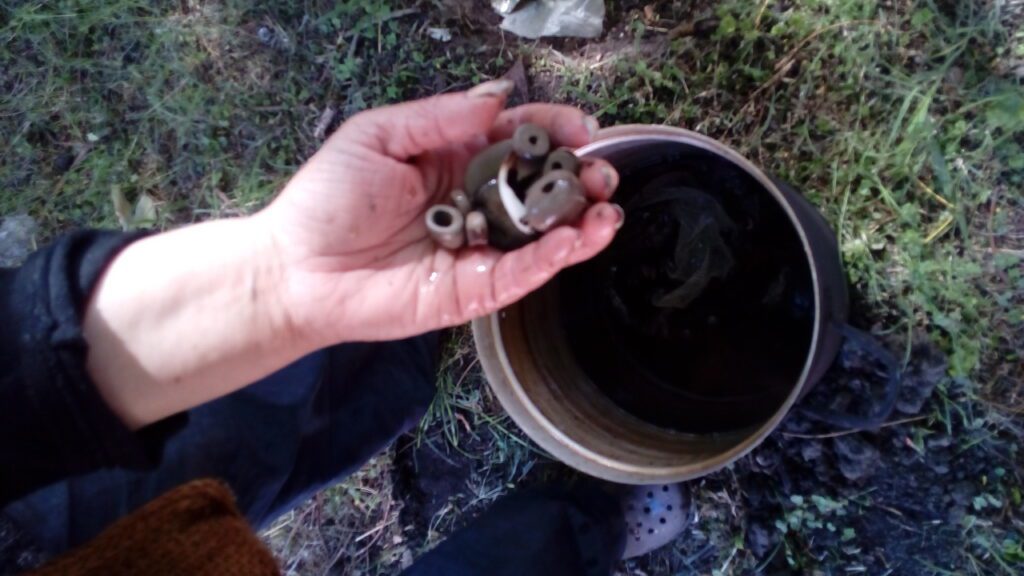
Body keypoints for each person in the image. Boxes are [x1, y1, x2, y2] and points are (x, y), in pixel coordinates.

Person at [1, 80, 685, 575]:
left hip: (30, 473)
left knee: (246, 413)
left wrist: (279, 280)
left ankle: (392, 348)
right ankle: (579, 532)